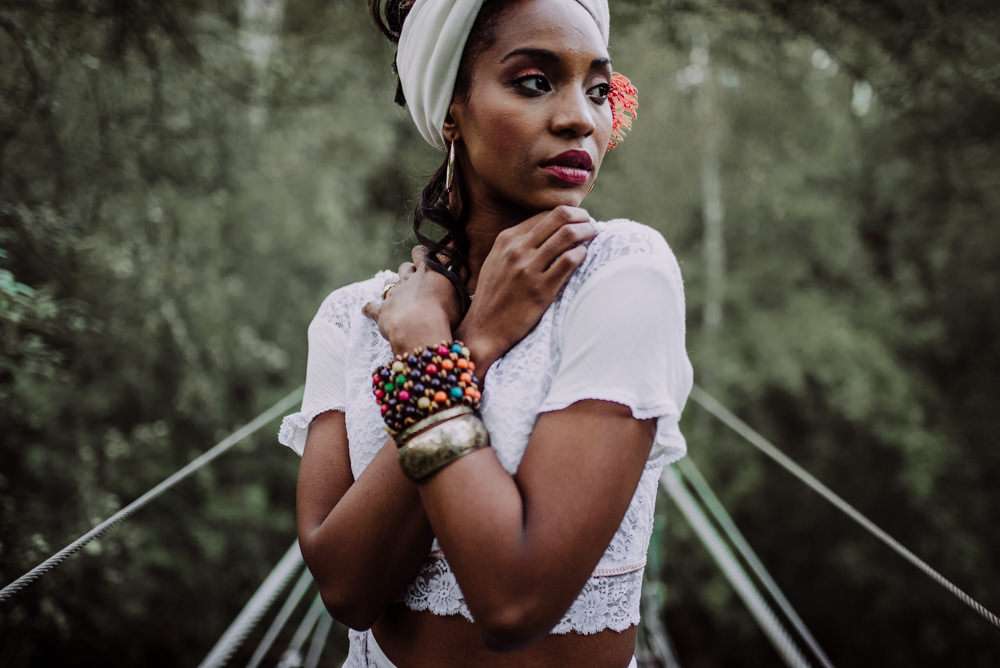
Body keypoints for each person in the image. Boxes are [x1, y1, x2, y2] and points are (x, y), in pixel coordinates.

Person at [277, 0, 694, 665]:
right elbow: (346, 589)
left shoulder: (624, 275)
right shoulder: (353, 319)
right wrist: (471, 344)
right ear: (452, 110)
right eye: (534, 82)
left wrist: (433, 355)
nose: (580, 119)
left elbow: (515, 601)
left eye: (597, 90)